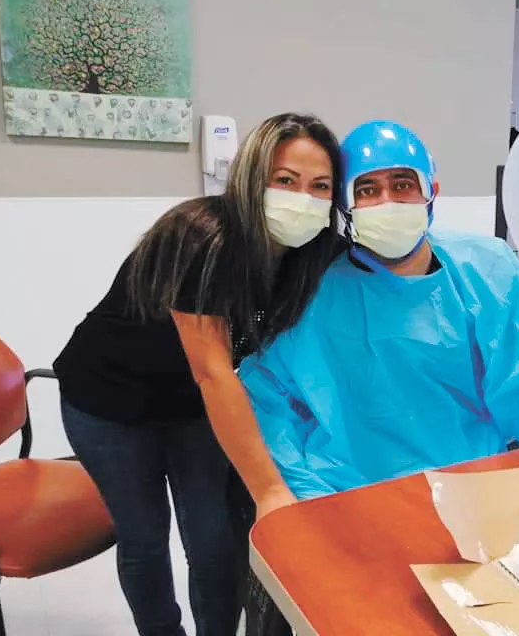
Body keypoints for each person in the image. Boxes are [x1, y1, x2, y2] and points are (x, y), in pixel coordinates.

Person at [54, 113, 342, 635]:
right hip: (109, 402)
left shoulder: (312, 253)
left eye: (319, 186)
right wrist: (270, 490)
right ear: (253, 178)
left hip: (194, 405)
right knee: (143, 537)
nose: (303, 197)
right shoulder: (198, 236)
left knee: (212, 539)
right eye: (285, 180)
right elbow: (213, 371)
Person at [239, 120, 519, 501]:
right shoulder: (315, 290)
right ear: (345, 205)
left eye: (403, 184)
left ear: (431, 191)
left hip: (469, 487)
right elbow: (267, 395)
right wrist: (308, 501)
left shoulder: (487, 271)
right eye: (367, 189)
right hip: (347, 496)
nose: (387, 200)